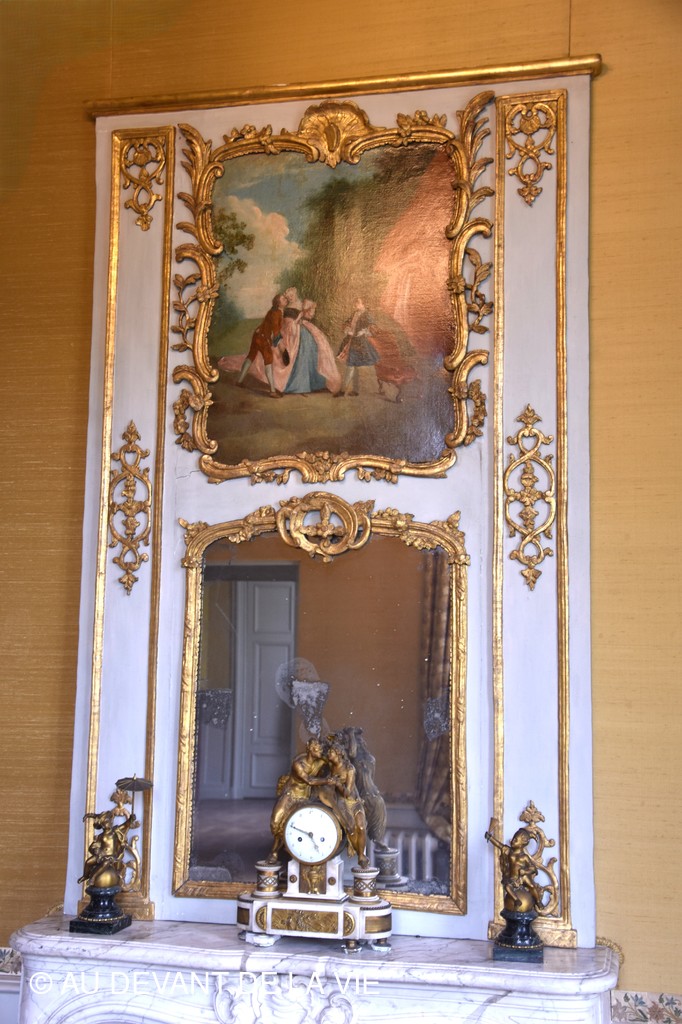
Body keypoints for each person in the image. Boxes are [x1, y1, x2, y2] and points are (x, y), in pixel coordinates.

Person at [267, 739, 326, 863]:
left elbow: (335, 760)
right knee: (275, 821)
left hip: (304, 798)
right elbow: (309, 780)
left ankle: (275, 851)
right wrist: (328, 780)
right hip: (291, 795)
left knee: (292, 822)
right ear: (310, 749)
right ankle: (277, 847)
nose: (320, 751)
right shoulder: (298, 764)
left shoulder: (320, 762)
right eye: (317, 748)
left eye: (321, 749)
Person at [311, 741, 369, 867]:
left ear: (338, 754)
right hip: (340, 802)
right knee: (350, 828)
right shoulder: (331, 766)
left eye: (331, 752)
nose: (329, 754)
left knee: (361, 826)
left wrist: (337, 783)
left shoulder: (349, 769)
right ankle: (359, 854)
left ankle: (361, 854)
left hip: (353, 801)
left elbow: (347, 793)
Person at [235, 292, 287, 397]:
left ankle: (239, 381)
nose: (285, 299)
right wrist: (282, 349)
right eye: (283, 299)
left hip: (257, 335)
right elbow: (276, 332)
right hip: (263, 339)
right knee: (268, 361)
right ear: (278, 303)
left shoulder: (276, 311)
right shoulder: (276, 313)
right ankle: (272, 391)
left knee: (251, 356)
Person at [337, 297, 380, 396]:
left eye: (358, 302)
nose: (355, 304)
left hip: (360, 343)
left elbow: (374, 328)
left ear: (363, 304)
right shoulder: (355, 313)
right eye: (355, 302)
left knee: (351, 365)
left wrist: (364, 331)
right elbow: (347, 323)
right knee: (353, 366)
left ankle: (343, 391)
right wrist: (347, 328)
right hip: (351, 340)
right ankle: (354, 390)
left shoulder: (367, 314)